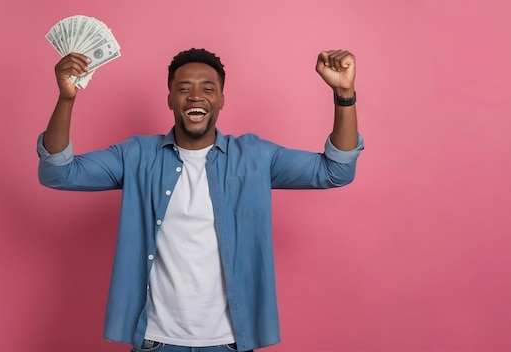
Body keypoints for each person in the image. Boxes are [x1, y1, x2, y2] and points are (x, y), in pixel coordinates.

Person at [37, 48, 364, 352]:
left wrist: (344, 95)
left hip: (230, 341)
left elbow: (336, 171)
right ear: (169, 99)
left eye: (208, 88)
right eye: (184, 88)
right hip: (156, 340)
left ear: (221, 99)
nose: (196, 95)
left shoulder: (254, 156)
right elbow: (58, 173)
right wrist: (66, 98)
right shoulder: (136, 155)